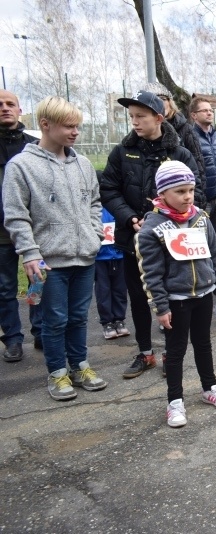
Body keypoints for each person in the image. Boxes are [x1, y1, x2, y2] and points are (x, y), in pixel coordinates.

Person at [3, 96, 107, 400]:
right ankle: (57, 372)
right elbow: (16, 215)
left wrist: (94, 234)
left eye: (77, 126)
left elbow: (94, 202)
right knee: (54, 319)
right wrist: (30, 252)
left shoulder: (83, 164)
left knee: (79, 317)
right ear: (45, 125)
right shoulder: (21, 166)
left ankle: (80, 365)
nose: (75, 132)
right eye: (68, 126)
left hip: (84, 256)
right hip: (48, 261)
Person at [100, 90, 201, 379]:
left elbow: (195, 193)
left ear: (158, 118)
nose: (134, 122)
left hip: (171, 242)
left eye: (141, 116)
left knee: (170, 297)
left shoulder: (179, 153)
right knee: (139, 297)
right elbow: (109, 189)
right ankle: (145, 353)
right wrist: (129, 217)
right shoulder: (122, 152)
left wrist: (166, 221)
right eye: (132, 116)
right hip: (132, 240)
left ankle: (171, 354)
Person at [135, 161, 216, 428]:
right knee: (175, 351)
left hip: (204, 294)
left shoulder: (201, 218)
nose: (187, 196)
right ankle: (175, 401)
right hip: (176, 301)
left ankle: (209, 387)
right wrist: (161, 306)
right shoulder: (152, 227)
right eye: (180, 191)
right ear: (162, 193)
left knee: (203, 344)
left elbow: (214, 256)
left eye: (190, 190)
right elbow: (151, 272)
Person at [0, 89, 42, 362]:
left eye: (10, 104)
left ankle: (41, 331)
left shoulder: (34, 146)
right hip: (1, 234)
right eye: (0, 105)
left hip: (35, 230)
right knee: (4, 288)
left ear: (19, 110)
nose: (5, 108)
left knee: (38, 281)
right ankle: (13, 339)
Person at [141, 82, 207, 208]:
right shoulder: (138, 134)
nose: (159, 103)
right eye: (154, 99)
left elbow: (198, 168)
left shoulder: (185, 129)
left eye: (162, 98)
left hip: (181, 204)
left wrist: (196, 204)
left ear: (170, 102)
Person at [190, 96, 216, 242]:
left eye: (211, 110)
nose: (209, 113)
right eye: (204, 110)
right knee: (200, 238)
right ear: (194, 115)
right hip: (200, 197)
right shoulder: (189, 137)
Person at [95, 204, 130, 340]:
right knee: (103, 291)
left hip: (120, 255)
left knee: (120, 289)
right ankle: (107, 323)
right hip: (100, 257)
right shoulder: (95, 207)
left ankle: (119, 320)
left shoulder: (118, 206)